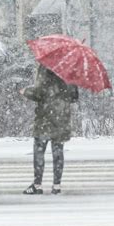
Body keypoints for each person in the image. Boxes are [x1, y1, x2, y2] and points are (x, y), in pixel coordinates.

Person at [20, 64, 79, 195]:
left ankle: (37, 184)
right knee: (58, 152)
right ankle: (56, 186)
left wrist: (26, 91)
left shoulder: (45, 66)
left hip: (45, 118)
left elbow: (39, 92)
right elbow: (74, 96)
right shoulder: (69, 69)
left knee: (39, 150)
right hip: (62, 118)